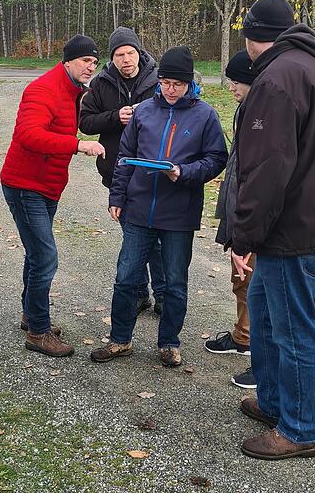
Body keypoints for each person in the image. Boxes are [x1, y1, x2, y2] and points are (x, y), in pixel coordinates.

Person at [230, 0, 315, 460]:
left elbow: (267, 169)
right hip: (313, 220)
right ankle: (275, 402)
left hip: (293, 230)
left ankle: (299, 429)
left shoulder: (275, 81)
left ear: (251, 38)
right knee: (263, 312)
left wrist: (245, 234)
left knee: (293, 329)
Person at [90, 46, 227, 368]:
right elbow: (125, 156)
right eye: (164, 83)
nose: (169, 90)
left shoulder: (205, 115)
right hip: (139, 209)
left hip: (179, 213)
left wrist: (183, 172)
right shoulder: (144, 112)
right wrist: (117, 197)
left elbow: (216, 158)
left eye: (176, 85)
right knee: (126, 278)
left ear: (189, 83)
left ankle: (169, 343)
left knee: (175, 282)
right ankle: (120, 340)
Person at [0, 34, 106, 358]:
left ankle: (31, 314)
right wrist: (77, 144)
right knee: (45, 256)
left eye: (94, 62)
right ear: (69, 60)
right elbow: (28, 135)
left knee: (36, 253)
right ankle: (38, 331)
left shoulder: (74, 91)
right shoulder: (43, 88)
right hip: (24, 184)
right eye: (86, 61)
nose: (91, 66)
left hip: (47, 186)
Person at [79, 26, 165, 315]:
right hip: (117, 170)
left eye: (130, 53)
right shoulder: (101, 83)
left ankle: (162, 294)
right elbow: (86, 122)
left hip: (153, 169)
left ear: (139, 53)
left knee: (153, 235)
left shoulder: (157, 79)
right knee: (132, 233)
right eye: (119, 54)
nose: (125, 59)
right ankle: (140, 291)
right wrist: (116, 117)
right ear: (112, 58)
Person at [205, 51, 259, 389]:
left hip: (254, 215)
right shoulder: (245, 110)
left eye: (235, 81)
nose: (230, 87)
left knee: (258, 285)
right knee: (241, 279)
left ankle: (262, 358)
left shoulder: (264, 115)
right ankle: (243, 336)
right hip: (239, 207)